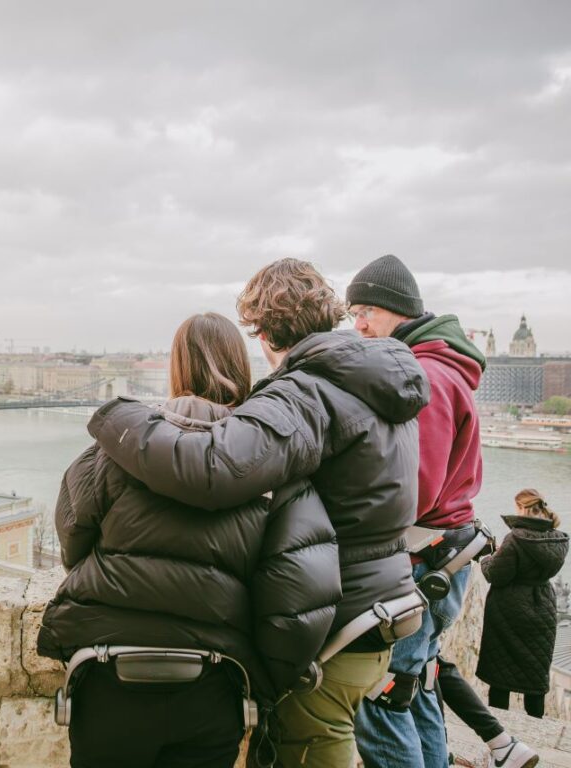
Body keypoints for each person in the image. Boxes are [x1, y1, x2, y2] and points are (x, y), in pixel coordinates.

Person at [85, 259, 430, 767]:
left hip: (337, 618)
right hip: (384, 603)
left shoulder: (305, 391)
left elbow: (213, 468)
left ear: (264, 331)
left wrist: (120, 418)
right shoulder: (372, 378)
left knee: (306, 750)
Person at [37, 312, 342, 768]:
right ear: (241, 368)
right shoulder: (274, 464)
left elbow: (72, 540)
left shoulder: (114, 449)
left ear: (175, 368)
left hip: (107, 671)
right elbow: (296, 583)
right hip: (214, 681)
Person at [346, 254, 536, 768]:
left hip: (422, 560)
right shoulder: (445, 367)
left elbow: (415, 492)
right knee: (417, 684)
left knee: (384, 697)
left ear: (397, 310)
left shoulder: (423, 374)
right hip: (448, 556)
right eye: (352, 313)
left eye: (366, 310)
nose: (358, 324)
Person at [476, 489, 568, 722]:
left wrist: (487, 559)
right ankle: (536, 726)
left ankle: (499, 732)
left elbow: (496, 575)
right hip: (543, 606)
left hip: (509, 609)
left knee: (500, 674)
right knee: (535, 674)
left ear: (522, 508)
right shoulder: (558, 539)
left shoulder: (516, 538)